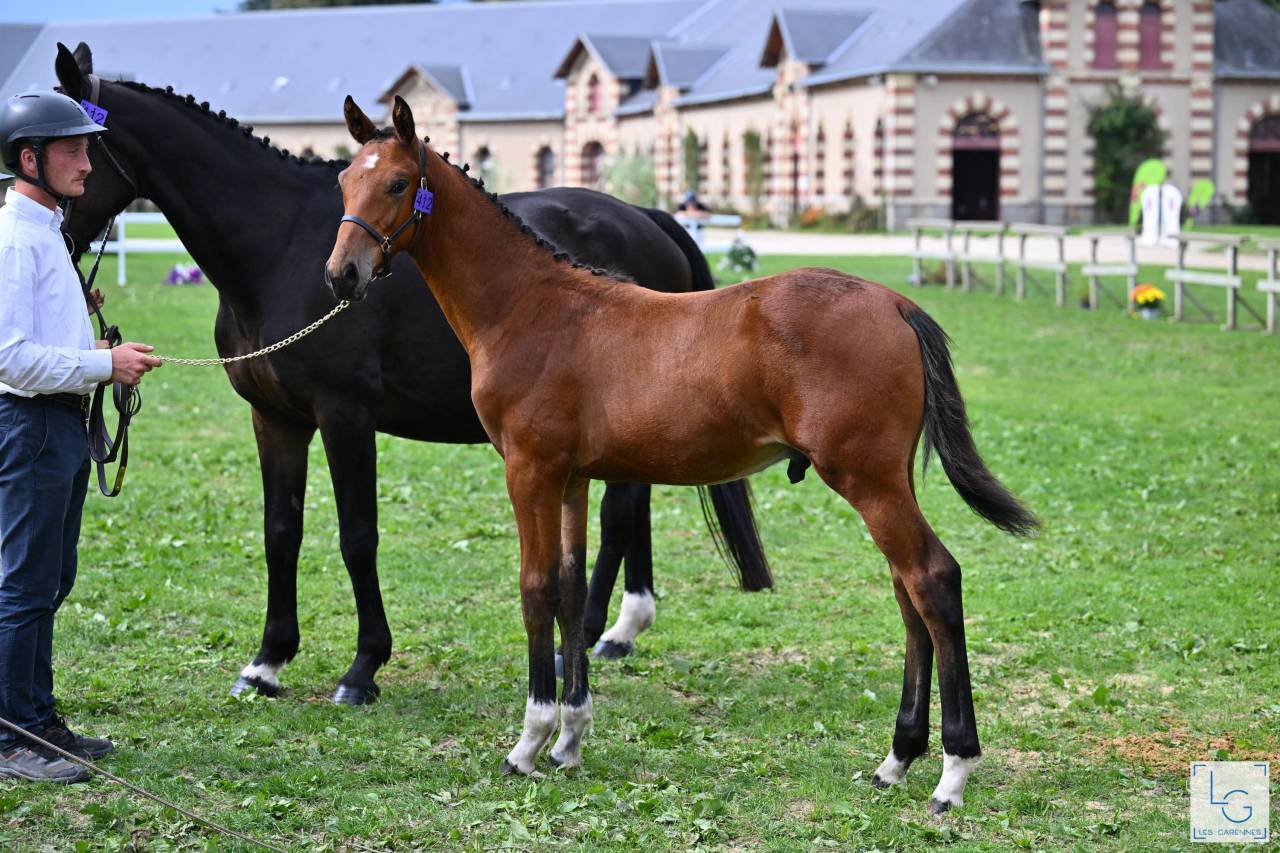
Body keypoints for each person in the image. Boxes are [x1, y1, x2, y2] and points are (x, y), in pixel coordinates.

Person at [0, 90, 160, 783]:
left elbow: (37, 341)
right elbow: (8, 357)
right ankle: (11, 738)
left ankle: (36, 717)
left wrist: (90, 344)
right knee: (24, 586)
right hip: (31, 426)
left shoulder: (44, 232)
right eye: (73, 149)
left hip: (58, 424)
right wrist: (105, 363)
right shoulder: (14, 241)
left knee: (49, 579)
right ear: (29, 158)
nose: (88, 163)